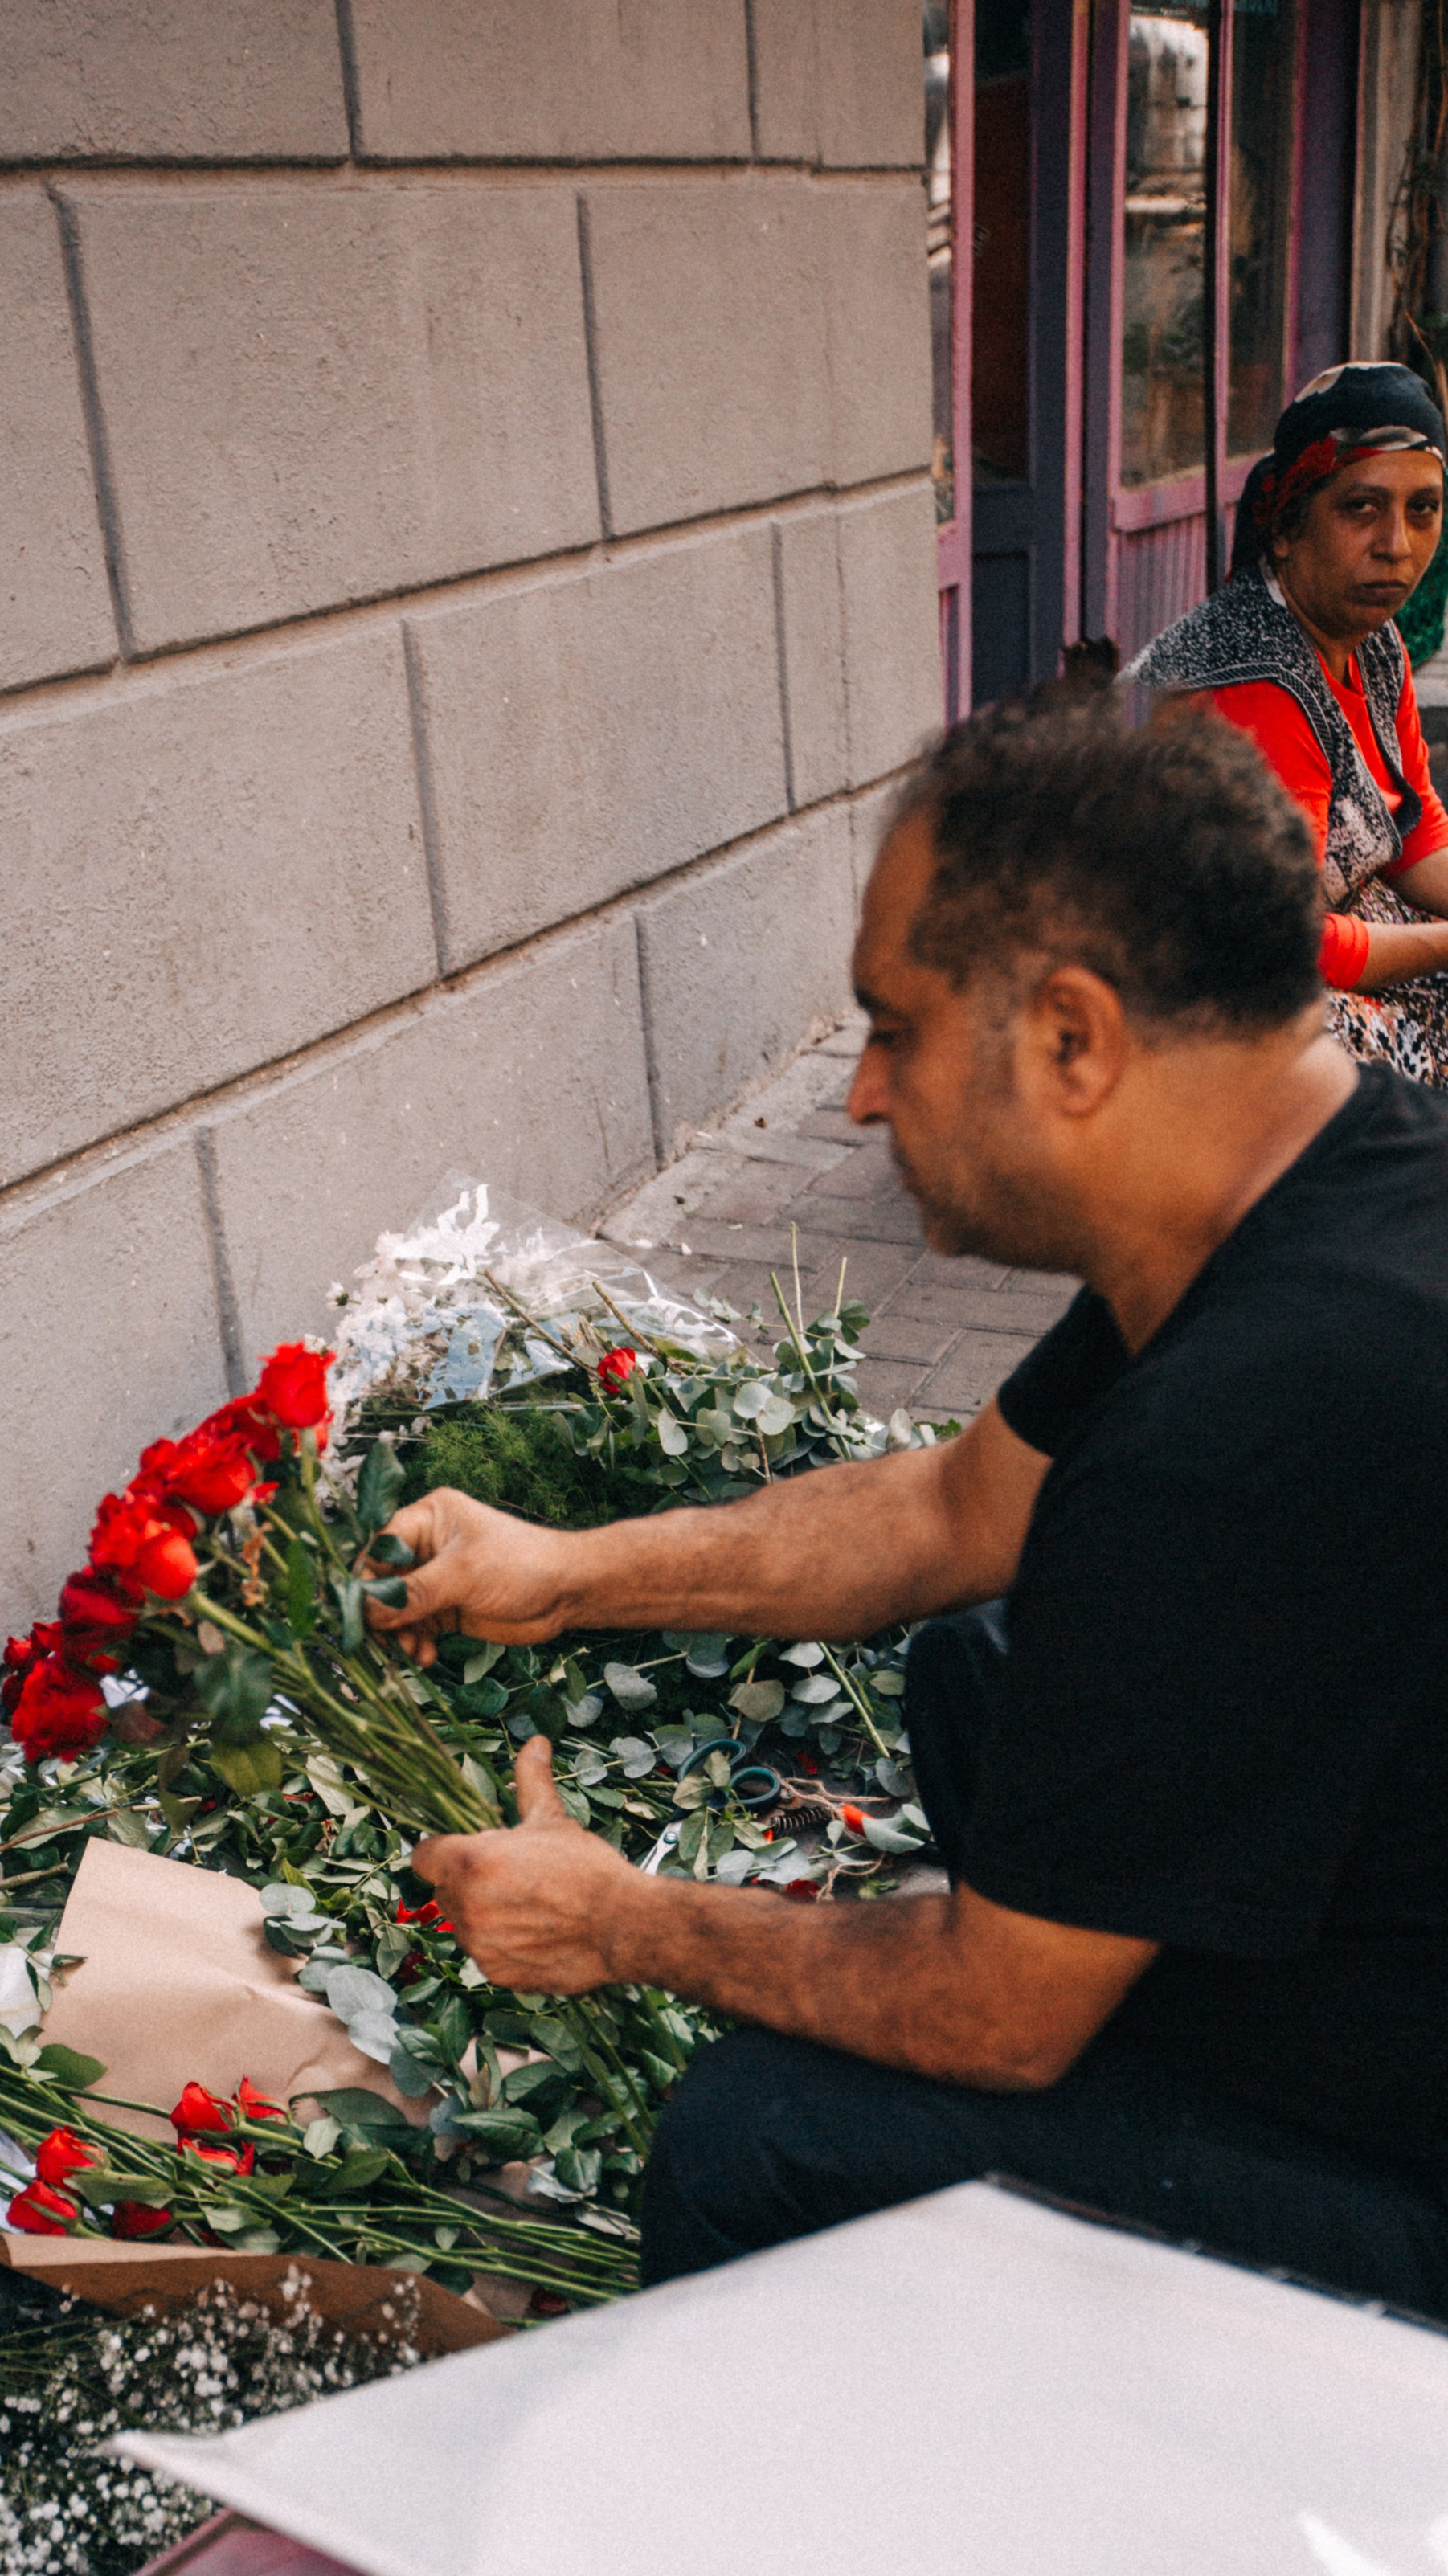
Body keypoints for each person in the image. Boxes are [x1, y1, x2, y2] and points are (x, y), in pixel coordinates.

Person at [371, 693, 1448, 2319]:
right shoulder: (1316, 1177)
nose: (863, 1095)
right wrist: (566, 1570)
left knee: (756, 2138)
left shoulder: (1244, 1421)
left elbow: (990, 2017)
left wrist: (622, 1917)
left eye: (896, 1027)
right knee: (979, 1663)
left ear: (1074, 1041)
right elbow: (947, 1511)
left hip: (1414, 2188)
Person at [1134, 362, 1448, 1084]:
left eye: (1423, 509)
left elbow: (1413, 826)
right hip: (1166, 991)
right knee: (1329, 1067)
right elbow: (1284, 939)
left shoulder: (1370, 640)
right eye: (1362, 508)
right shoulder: (1256, 683)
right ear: (1286, 531)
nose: (1397, 544)